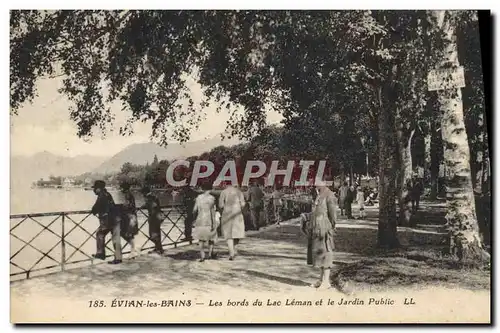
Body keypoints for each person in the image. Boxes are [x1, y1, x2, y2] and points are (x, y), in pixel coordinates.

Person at [300, 178, 337, 289]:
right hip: (317, 228)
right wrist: (306, 216)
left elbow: (333, 215)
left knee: (326, 253)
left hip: (324, 229)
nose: (315, 187)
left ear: (323, 183)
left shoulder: (329, 195)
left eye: (317, 185)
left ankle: (326, 282)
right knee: (319, 255)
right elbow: (317, 211)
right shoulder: (320, 194)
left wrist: (331, 227)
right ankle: (321, 280)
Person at [91, 180, 122, 264]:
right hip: (116, 218)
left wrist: (93, 211)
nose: (94, 190)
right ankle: (118, 257)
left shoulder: (101, 195)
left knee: (100, 233)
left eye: (95, 188)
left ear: (99, 189)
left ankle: (101, 253)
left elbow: (95, 208)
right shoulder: (108, 194)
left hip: (108, 220)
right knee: (116, 238)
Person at [192, 182, 219, 262]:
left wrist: (194, 219)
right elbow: (213, 210)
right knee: (211, 238)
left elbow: (194, 210)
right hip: (209, 220)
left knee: (201, 239)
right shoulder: (212, 198)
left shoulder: (198, 198)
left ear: (202, 189)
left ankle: (202, 255)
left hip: (200, 219)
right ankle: (210, 254)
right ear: (210, 189)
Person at [219, 184, 246, 260]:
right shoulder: (239, 192)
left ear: (225, 184)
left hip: (227, 213)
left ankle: (231, 252)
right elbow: (243, 204)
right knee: (237, 232)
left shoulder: (223, 192)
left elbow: (221, 205)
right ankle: (235, 249)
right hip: (237, 213)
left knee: (228, 233)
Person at [116, 182, 140, 258]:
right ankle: (133, 251)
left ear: (124, 188)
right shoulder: (129, 194)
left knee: (126, 234)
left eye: (121, 188)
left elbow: (128, 205)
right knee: (130, 234)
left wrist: (119, 206)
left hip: (130, 217)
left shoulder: (128, 195)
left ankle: (135, 249)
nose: (121, 189)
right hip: (132, 216)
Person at [141, 185, 165, 256]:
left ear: (145, 192)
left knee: (152, 233)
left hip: (154, 217)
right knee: (156, 232)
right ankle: (158, 248)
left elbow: (153, 206)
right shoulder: (153, 196)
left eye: (143, 193)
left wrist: (145, 206)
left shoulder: (149, 197)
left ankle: (159, 249)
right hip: (157, 217)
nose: (142, 195)